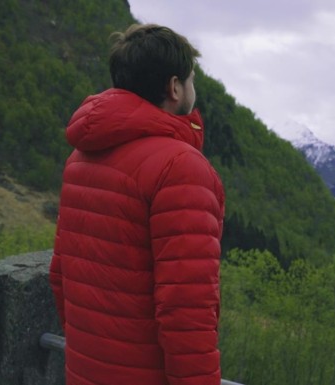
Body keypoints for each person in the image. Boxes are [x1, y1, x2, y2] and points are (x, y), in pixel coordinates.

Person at [49, 23, 225, 385]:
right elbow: (186, 309)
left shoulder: (81, 156)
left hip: (85, 370)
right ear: (174, 87)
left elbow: (61, 272)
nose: (194, 89)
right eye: (191, 79)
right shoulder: (180, 167)